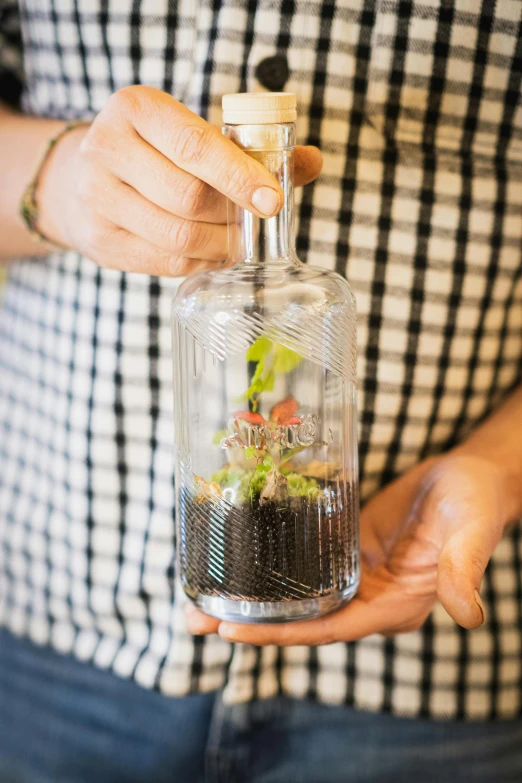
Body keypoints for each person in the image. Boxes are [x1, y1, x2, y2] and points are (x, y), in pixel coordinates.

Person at [1, 1, 521, 782]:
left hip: (421, 679)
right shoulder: (208, 301)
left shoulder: (321, 298)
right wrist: (59, 179)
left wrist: (502, 463)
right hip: (64, 623)